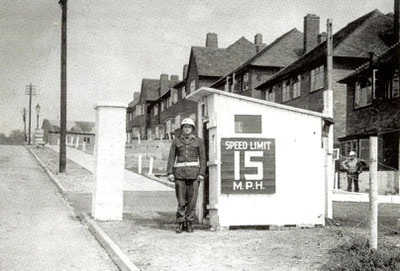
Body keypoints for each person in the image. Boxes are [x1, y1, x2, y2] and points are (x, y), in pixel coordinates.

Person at [167, 118, 206, 233]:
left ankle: (189, 222)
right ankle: (180, 222)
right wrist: (170, 172)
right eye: (185, 127)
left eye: (189, 127)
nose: (187, 129)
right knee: (181, 200)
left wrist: (201, 173)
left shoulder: (198, 141)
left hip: (194, 175)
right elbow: (171, 157)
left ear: (192, 129)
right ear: (182, 129)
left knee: (192, 200)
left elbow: (203, 158)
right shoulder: (176, 141)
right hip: (179, 174)